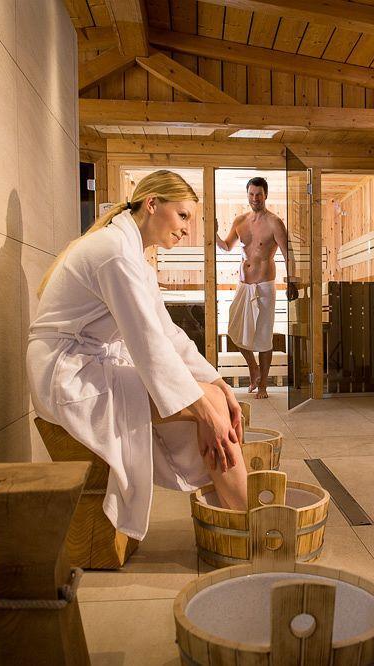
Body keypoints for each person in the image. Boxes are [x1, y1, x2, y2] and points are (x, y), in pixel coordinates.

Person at [27, 170, 247, 543]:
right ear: (152, 204)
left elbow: (168, 334)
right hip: (66, 375)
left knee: (214, 402)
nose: (185, 230)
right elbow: (147, 342)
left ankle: (238, 521)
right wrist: (205, 406)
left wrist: (217, 383)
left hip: (89, 365)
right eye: (182, 216)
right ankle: (248, 527)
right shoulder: (114, 253)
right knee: (211, 409)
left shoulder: (133, 257)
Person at [216, 176, 293, 399]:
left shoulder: (274, 223)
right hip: (243, 285)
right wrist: (214, 232)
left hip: (264, 286)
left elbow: (288, 255)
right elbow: (227, 247)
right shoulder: (240, 221)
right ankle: (253, 368)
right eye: (251, 194)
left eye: (259, 194)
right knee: (234, 328)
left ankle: (263, 386)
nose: (255, 198)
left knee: (264, 336)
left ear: (265, 195)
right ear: (247, 195)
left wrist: (293, 281)